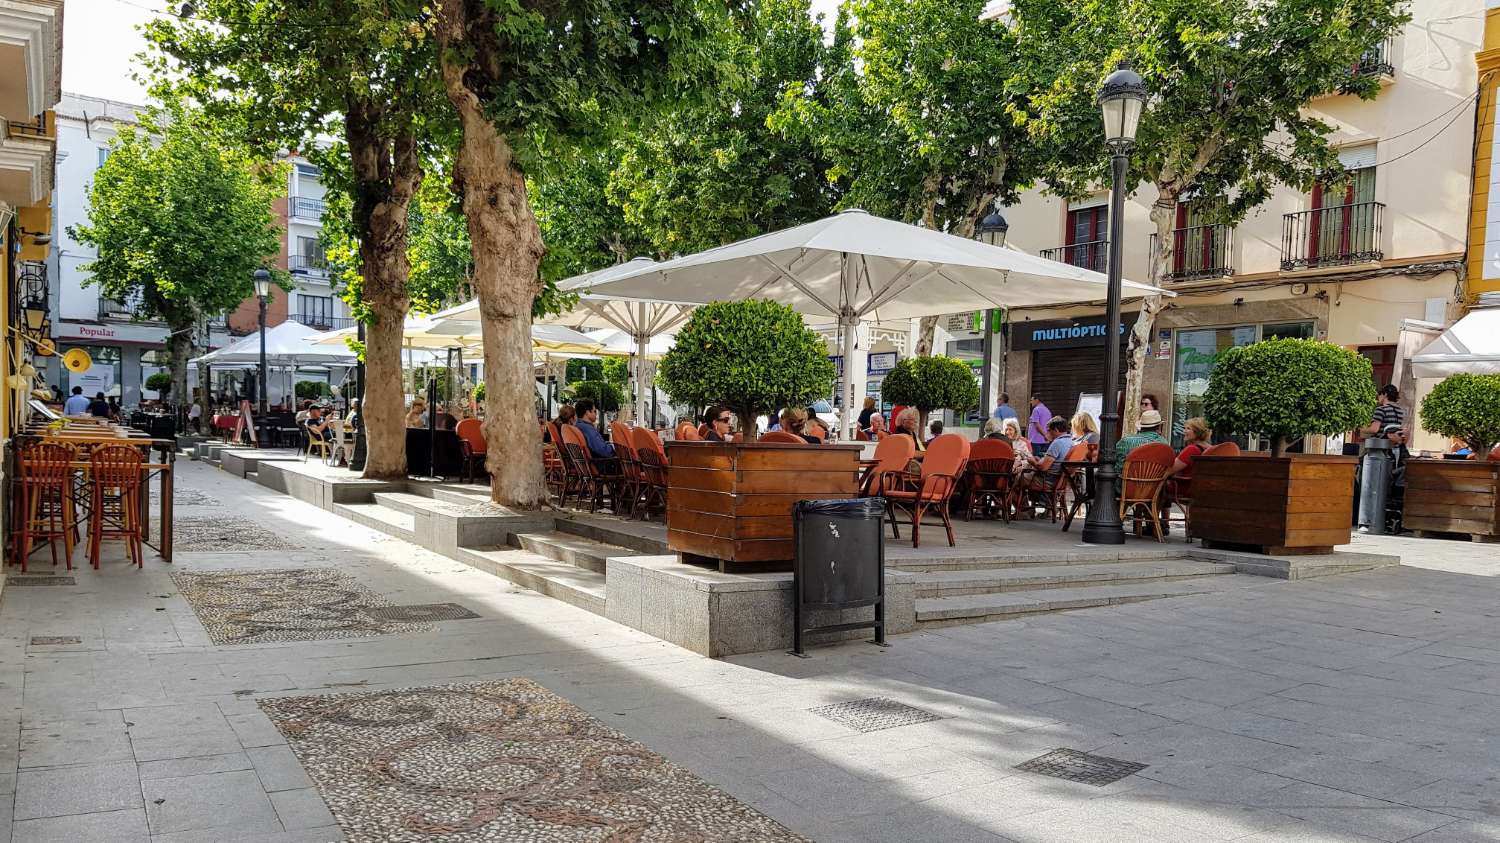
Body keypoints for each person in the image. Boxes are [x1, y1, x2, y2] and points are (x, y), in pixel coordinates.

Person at [1020, 417, 1074, 500]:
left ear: (1056, 430)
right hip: (1061, 480)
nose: (1047, 433)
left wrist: (1031, 461)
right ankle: (1037, 505)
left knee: (1015, 479)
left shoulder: (1057, 443)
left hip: (1049, 481)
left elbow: (1043, 467)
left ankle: (1025, 510)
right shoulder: (1070, 441)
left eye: (1049, 430)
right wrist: (1040, 460)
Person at [1114, 408, 1169, 474]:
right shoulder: (1164, 443)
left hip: (1127, 483)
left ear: (1141, 426)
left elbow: (1118, 468)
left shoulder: (1126, 441)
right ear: (1159, 427)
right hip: (1155, 483)